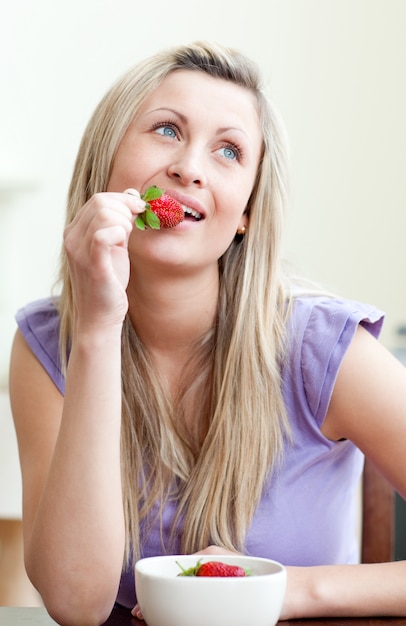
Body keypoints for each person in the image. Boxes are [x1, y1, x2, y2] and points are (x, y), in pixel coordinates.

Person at [9, 41, 406, 626]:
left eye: (228, 151)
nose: (189, 167)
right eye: (167, 130)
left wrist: (289, 591)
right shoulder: (49, 347)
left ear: (245, 211)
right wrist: (96, 329)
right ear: (106, 164)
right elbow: (75, 602)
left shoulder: (326, 350)